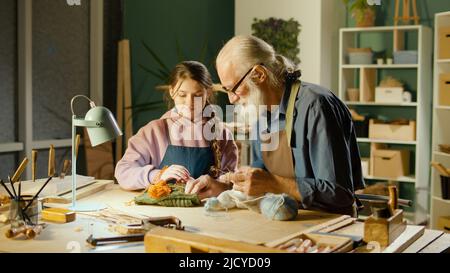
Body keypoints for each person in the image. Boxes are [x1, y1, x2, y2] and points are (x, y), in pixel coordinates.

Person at [213, 35, 365, 216]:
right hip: (283, 220)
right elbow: (260, 178)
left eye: (233, 88)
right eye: (226, 90)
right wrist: (225, 185)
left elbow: (340, 193)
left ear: (259, 74)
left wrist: (275, 183)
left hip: (330, 225)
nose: (231, 99)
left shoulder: (316, 106)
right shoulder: (261, 115)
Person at [115, 61, 238, 200]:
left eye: (197, 95)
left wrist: (217, 185)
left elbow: (234, 184)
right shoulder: (154, 131)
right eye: (182, 95)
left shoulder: (222, 135)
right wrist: (158, 175)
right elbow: (122, 171)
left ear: (208, 93)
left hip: (207, 215)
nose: (189, 103)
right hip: (162, 214)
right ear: (172, 92)